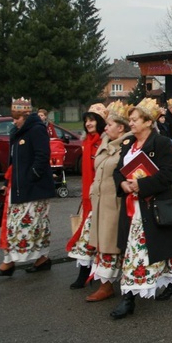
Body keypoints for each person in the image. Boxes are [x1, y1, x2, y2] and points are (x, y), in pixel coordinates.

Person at [110, 98, 172, 320]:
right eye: (130, 120)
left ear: (147, 122)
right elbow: (118, 171)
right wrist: (123, 183)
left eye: (134, 120)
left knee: (141, 251)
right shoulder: (127, 144)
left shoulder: (162, 143)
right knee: (142, 250)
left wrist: (141, 185)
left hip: (152, 207)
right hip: (131, 207)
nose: (131, 124)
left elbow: (169, 173)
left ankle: (128, 299)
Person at [0, 98, 54, 277]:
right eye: (13, 117)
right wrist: (6, 182)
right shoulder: (17, 132)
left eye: (17, 117)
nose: (14, 121)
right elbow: (13, 162)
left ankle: (37, 259)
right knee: (16, 225)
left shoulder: (36, 130)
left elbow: (42, 156)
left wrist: (31, 176)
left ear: (26, 116)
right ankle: (10, 260)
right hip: (19, 187)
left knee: (33, 225)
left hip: (34, 189)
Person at [83, 101, 130, 302]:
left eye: (110, 124)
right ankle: (107, 283)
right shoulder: (105, 143)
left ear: (121, 128)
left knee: (112, 244)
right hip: (101, 202)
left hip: (116, 203)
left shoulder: (127, 146)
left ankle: (108, 285)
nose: (106, 127)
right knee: (103, 243)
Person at [66, 103, 109, 290]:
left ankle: (97, 275)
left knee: (95, 236)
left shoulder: (105, 142)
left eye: (92, 120)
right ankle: (85, 274)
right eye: (86, 120)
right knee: (87, 236)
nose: (88, 123)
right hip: (88, 197)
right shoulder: (87, 142)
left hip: (102, 196)